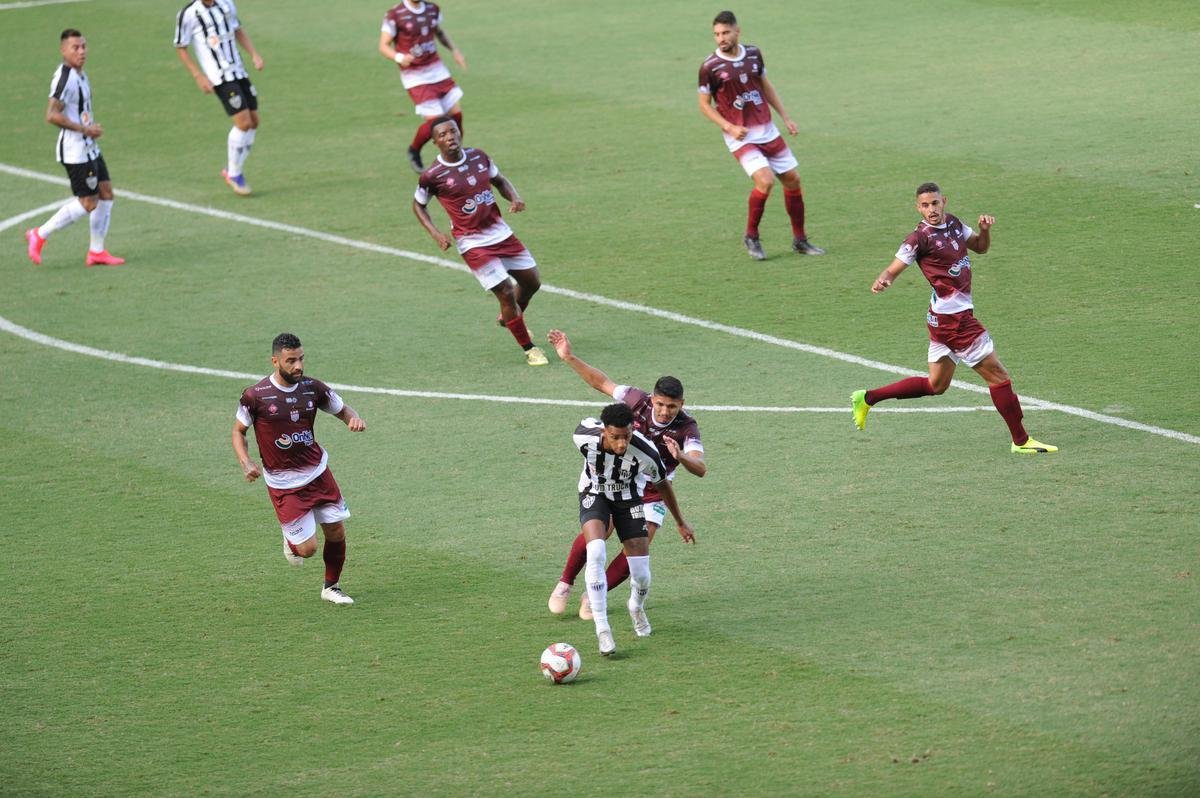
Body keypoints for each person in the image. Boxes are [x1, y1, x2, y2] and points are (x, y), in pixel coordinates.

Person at [851, 182, 1057, 454]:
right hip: (954, 322)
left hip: (942, 318)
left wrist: (985, 230)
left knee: (936, 385)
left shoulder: (955, 224)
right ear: (918, 208)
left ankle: (867, 398)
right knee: (998, 376)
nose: (931, 209)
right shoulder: (918, 239)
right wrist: (884, 279)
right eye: (925, 205)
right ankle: (1021, 441)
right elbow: (894, 267)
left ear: (944, 201)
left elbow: (980, 247)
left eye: (935, 203)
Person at [545, 329, 706, 621]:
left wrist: (680, 456)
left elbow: (700, 467)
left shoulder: (687, 427)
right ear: (653, 398)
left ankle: (594, 594)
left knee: (639, 546)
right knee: (600, 531)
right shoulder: (636, 399)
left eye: (672, 406)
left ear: (681, 404)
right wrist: (569, 357)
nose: (665, 411)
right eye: (661, 404)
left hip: (655, 488)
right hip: (617, 478)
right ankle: (565, 583)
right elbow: (601, 382)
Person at [232, 333, 367, 605]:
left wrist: (353, 419)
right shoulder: (255, 396)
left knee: (337, 531)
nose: (298, 366)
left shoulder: (312, 388)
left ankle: (331, 587)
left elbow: (343, 409)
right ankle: (291, 539)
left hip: (317, 473)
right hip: (284, 485)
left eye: (301, 359)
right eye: (291, 361)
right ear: (275, 361)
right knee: (306, 550)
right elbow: (239, 431)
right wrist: (245, 461)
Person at [412, 117, 548, 366]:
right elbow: (418, 205)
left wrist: (514, 198)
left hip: (501, 233)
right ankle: (530, 349)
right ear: (434, 142)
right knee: (506, 291)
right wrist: (436, 233)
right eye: (443, 135)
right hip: (472, 242)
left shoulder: (479, 157)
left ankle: (510, 318)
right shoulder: (432, 175)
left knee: (532, 282)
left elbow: (500, 180)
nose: (450, 137)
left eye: (453, 131)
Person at [698, 10, 824, 261]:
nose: (721, 38)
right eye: (717, 34)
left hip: (767, 130)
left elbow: (766, 87)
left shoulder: (754, 54)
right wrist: (729, 127)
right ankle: (751, 236)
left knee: (792, 180)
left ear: (737, 31)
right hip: (740, 136)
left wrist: (785, 117)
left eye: (725, 33)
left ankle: (800, 240)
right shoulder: (710, 66)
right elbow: (704, 105)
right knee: (765, 181)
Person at [571, 403, 696, 655]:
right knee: (596, 551)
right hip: (595, 495)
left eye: (626, 436)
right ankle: (603, 629)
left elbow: (663, 485)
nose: (621, 444)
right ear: (604, 431)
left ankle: (636, 606)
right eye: (615, 437)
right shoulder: (583, 437)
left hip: (629, 501)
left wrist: (680, 521)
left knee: (641, 574)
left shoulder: (646, 453)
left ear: (633, 430)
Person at [24, 29, 124, 268]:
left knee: (106, 193)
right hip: (75, 151)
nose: (81, 52)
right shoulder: (64, 78)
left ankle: (96, 252)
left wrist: (88, 131)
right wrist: (84, 129)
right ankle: (39, 234)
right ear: (63, 50)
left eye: (83, 47)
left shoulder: (80, 74)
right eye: (75, 48)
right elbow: (51, 114)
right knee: (88, 202)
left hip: (89, 147)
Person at [173, 0, 264, 196]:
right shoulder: (188, 14)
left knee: (254, 122)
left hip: (239, 71)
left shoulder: (226, 3)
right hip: (219, 77)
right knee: (244, 123)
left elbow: (237, 29)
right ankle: (234, 173)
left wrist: (254, 54)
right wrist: (198, 76)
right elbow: (181, 47)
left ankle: (233, 170)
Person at [379, 0, 468, 174]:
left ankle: (457, 158)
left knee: (456, 116)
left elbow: (439, 32)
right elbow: (383, 45)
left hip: (438, 70)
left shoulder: (432, 9)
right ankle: (414, 150)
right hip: (416, 77)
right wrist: (399, 57)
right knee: (436, 122)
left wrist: (454, 50)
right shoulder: (395, 15)